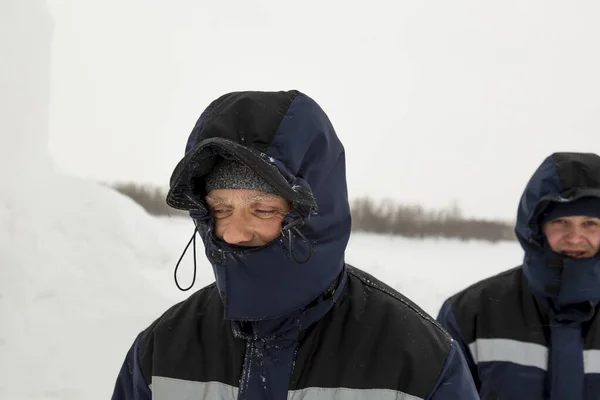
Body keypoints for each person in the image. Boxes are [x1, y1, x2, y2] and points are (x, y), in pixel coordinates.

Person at [112, 90, 479, 400]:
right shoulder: (163, 349)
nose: (235, 232)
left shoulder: (417, 358)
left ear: (317, 214)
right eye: (220, 209)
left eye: (263, 209)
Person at [437, 152, 600, 399]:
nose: (575, 237)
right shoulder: (470, 314)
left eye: (590, 224)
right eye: (561, 222)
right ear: (536, 228)